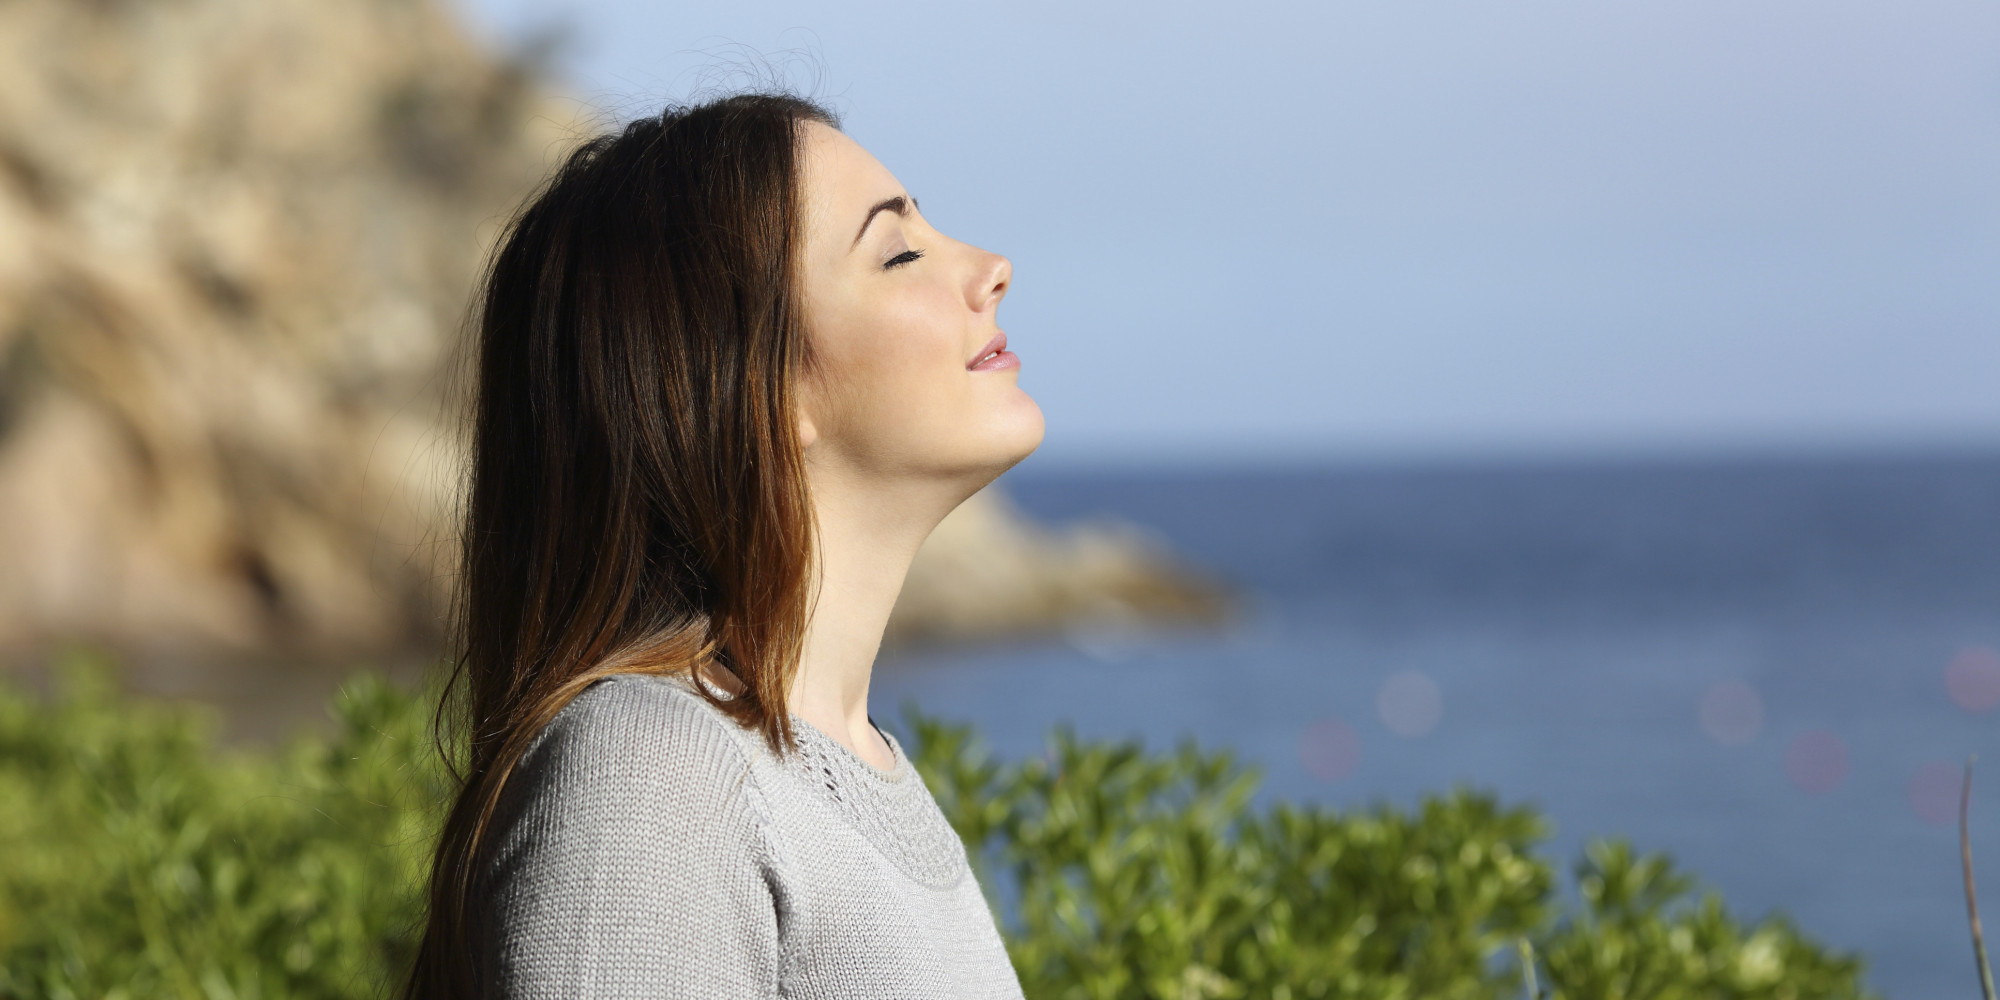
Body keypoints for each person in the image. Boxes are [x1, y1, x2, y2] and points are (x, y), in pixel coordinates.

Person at [399, 93, 1042, 998]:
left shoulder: (847, 770)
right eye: (899, 253)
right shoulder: (651, 776)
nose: (992, 268)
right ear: (755, 387)